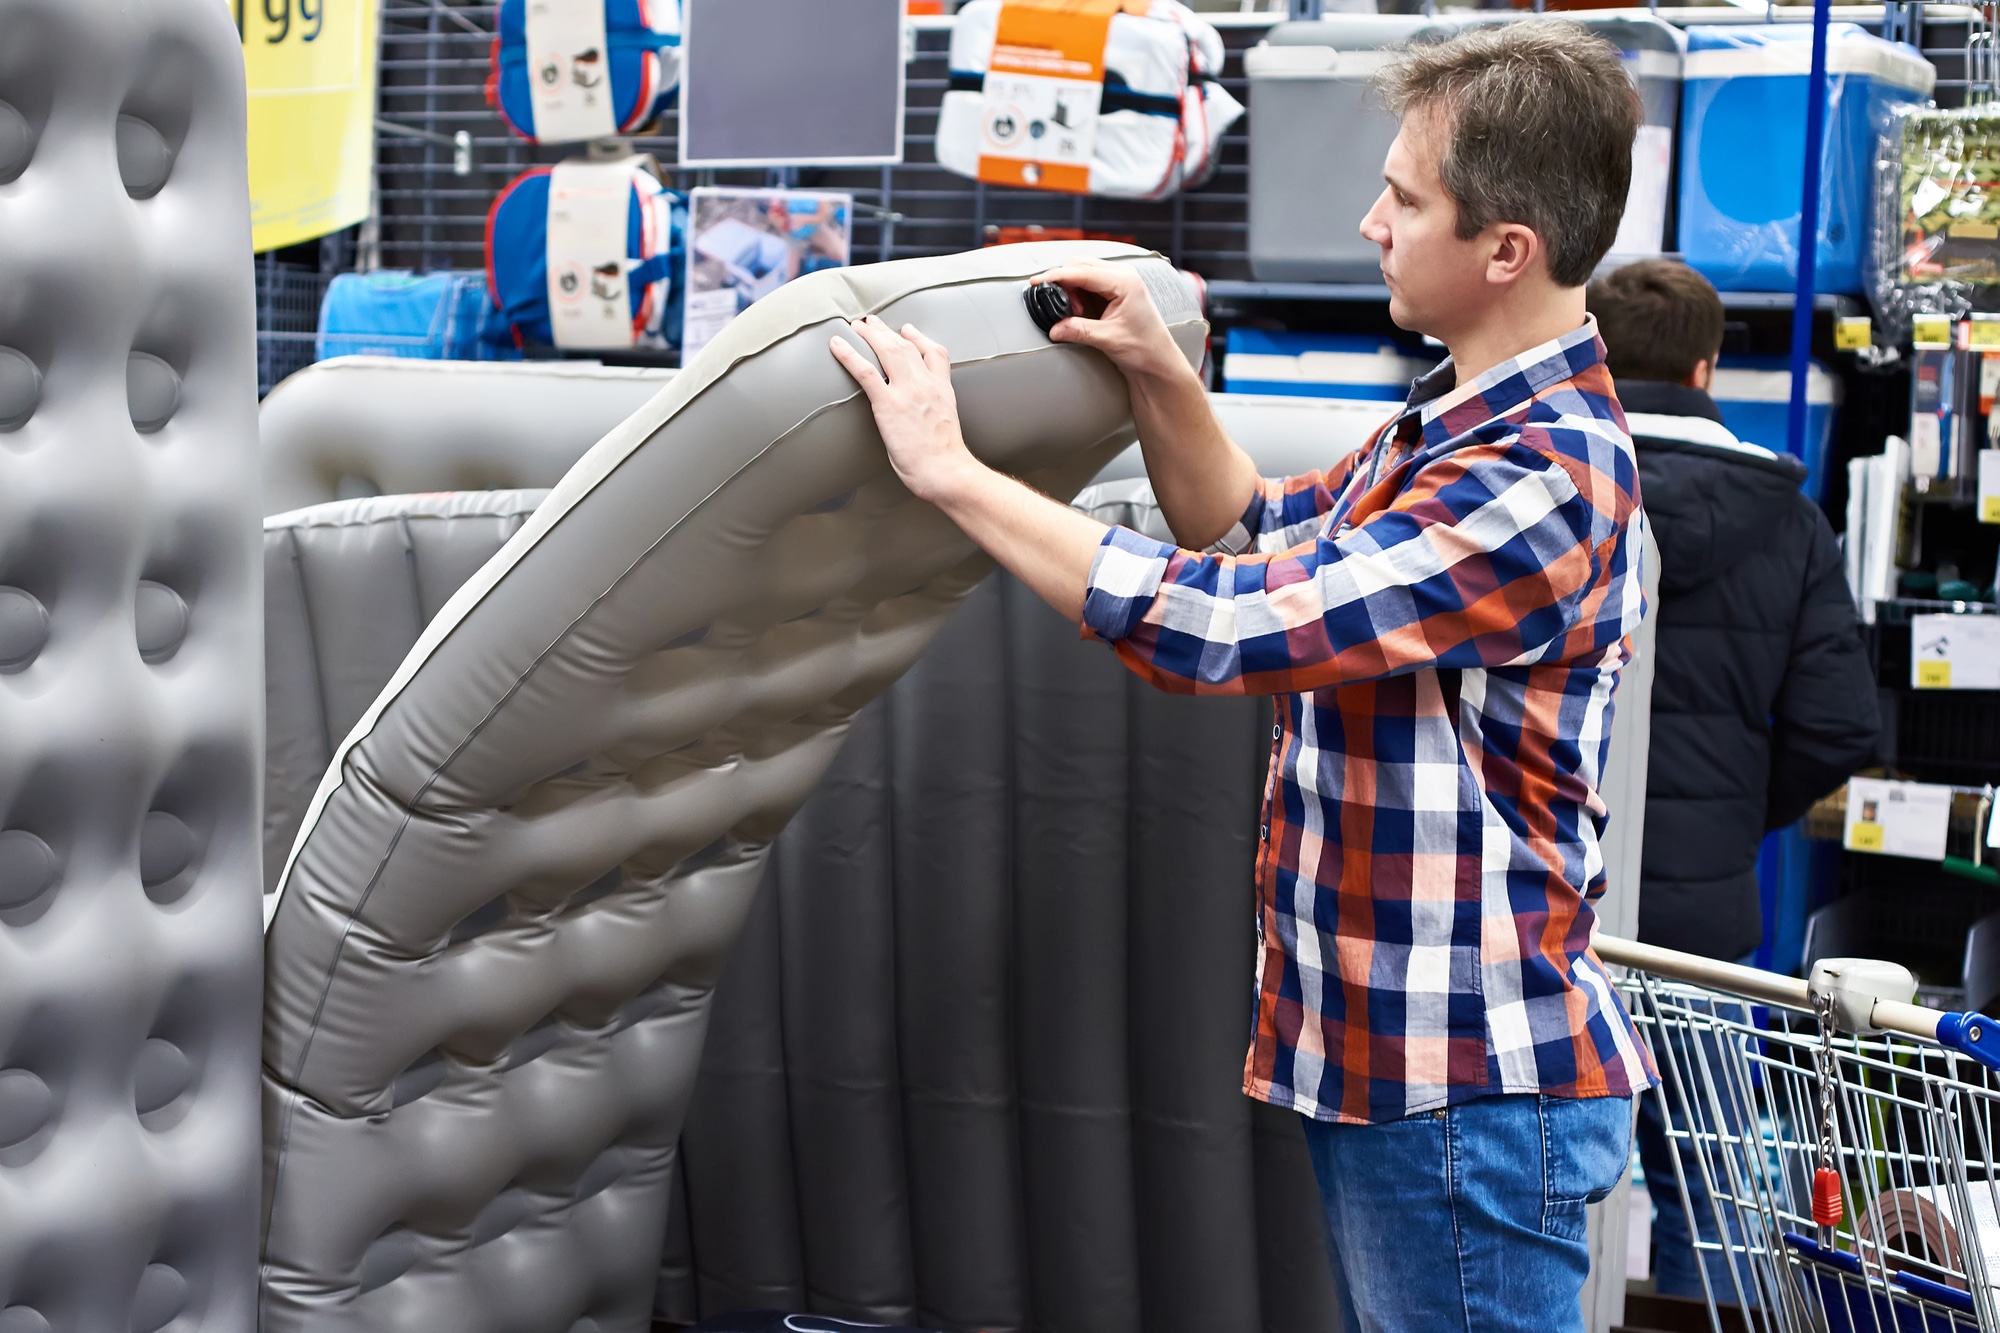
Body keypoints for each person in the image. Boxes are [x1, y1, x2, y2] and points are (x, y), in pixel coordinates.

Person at [829, 22, 1655, 1333]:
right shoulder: (1452, 425)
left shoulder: (1540, 473)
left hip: (1466, 1088)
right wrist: (1159, 365)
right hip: (1406, 1072)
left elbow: (1224, 628)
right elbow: (1248, 526)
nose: (1372, 220)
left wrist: (950, 477)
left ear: (1508, 251)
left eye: (1406, 197)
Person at [1585, 259, 1879, 1301]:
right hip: (1696, 926)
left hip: (1540, 899)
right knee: (1708, 1194)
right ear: (1707, 365)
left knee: (1531, 1175)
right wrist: (1728, 818)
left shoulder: (1551, 487)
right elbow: (1839, 722)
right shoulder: (1785, 520)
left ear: (1592, 351)